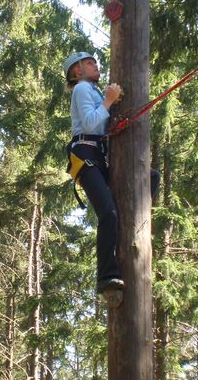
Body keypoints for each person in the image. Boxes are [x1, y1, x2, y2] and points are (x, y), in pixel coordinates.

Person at [64, 51, 159, 295]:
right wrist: (109, 100)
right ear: (77, 71)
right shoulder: (82, 88)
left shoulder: (93, 92)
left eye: (95, 62)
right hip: (85, 156)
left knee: (152, 177)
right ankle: (106, 275)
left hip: (99, 157)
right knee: (107, 212)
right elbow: (92, 124)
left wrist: (112, 102)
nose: (95, 65)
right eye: (88, 63)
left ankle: (139, 224)